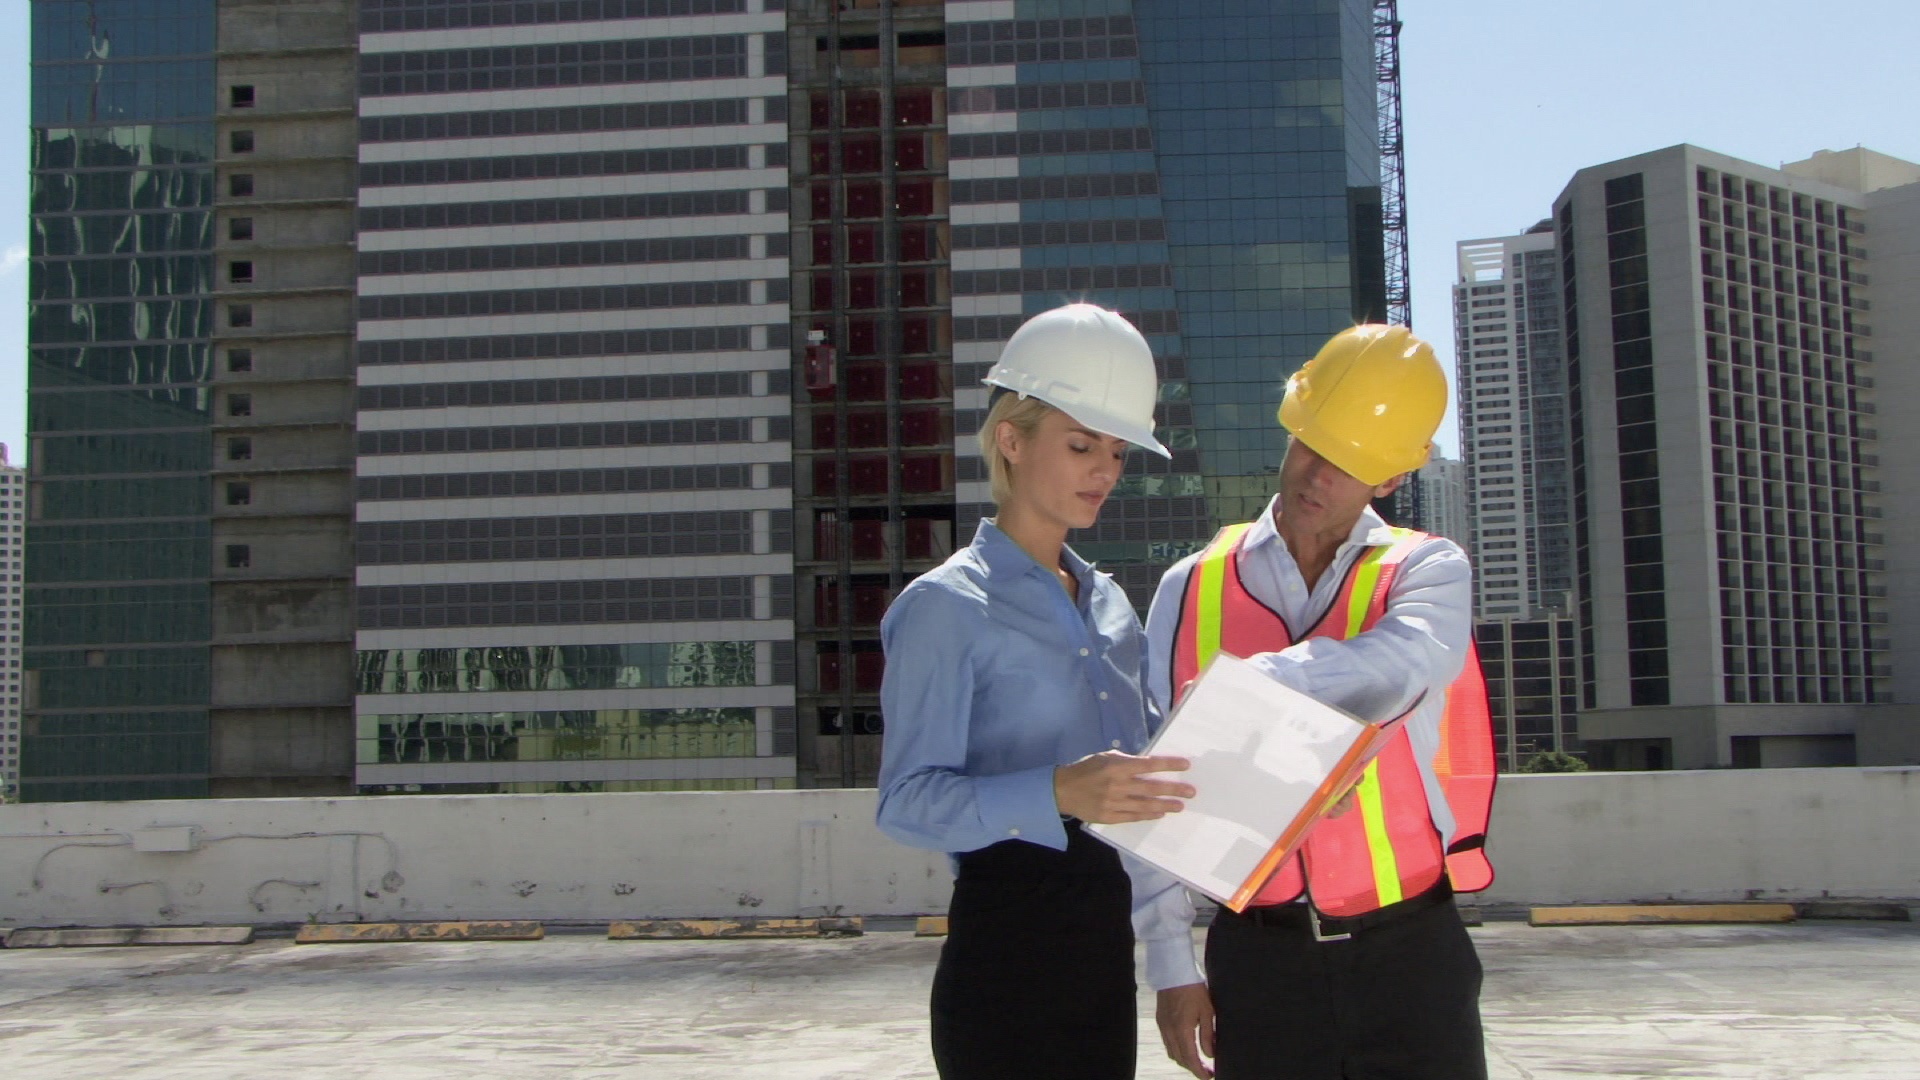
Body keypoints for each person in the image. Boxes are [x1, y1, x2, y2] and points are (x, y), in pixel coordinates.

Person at [1144, 325, 1498, 1080]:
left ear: (1393, 478)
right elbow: (1156, 794)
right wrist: (1171, 964)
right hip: (1259, 961)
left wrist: (1252, 688)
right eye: (1311, 446)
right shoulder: (1188, 587)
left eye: (1349, 464)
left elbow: (1407, 664)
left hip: (1411, 954)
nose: (1316, 476)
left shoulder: (1427, 569)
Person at [876, 303, 1204, 1080]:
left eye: (1118, 453)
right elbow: (907, 802)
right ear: (1011, 441)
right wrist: (1057, 790)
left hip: (1101, 963)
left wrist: (1174, 965)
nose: (1104, 471)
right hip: (1002, 962)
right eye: (1082, 444)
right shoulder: (944, 608)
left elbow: (1145, 802)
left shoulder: (1113, 608)